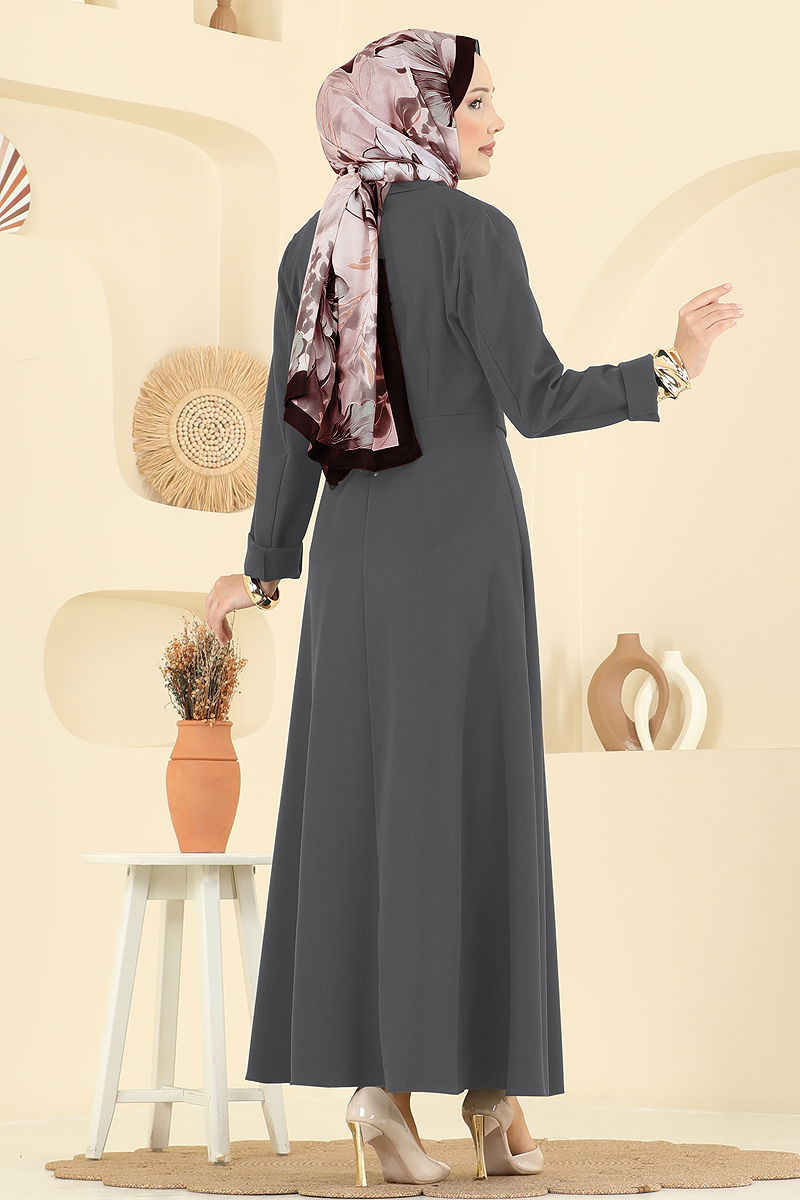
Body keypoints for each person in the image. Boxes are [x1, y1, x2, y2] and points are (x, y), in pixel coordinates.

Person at [204, 27, 743, 1187]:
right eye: (477, 101)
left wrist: (264, 565)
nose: (497, 121)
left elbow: (289, 430)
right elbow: (536, 401)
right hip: (459, 559)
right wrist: (671, 364)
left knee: (375, 813)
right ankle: (490, 1095)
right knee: (474, 810)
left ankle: (385, 1095)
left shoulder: (315, 242)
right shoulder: (471, 232)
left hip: (354, 563)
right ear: (417, 113)